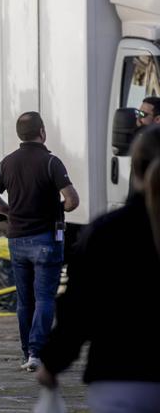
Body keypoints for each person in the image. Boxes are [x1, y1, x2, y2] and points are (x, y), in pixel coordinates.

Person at [37, 125, 160, 412]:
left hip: (120, 378)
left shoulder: (108, 231)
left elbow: (81, 306)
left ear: (136, 169)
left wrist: (53, 362)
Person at [0, 112, 79, 372]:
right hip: (46, 240)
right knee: (45, 298)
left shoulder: (7, 163)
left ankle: (27, 351)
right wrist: (57, 209)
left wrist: (9, 211)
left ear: (20, 134)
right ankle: (37, 352)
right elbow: (72, 201)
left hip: (16, 239)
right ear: (42, 132)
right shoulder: (52, 162)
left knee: (24, 300)